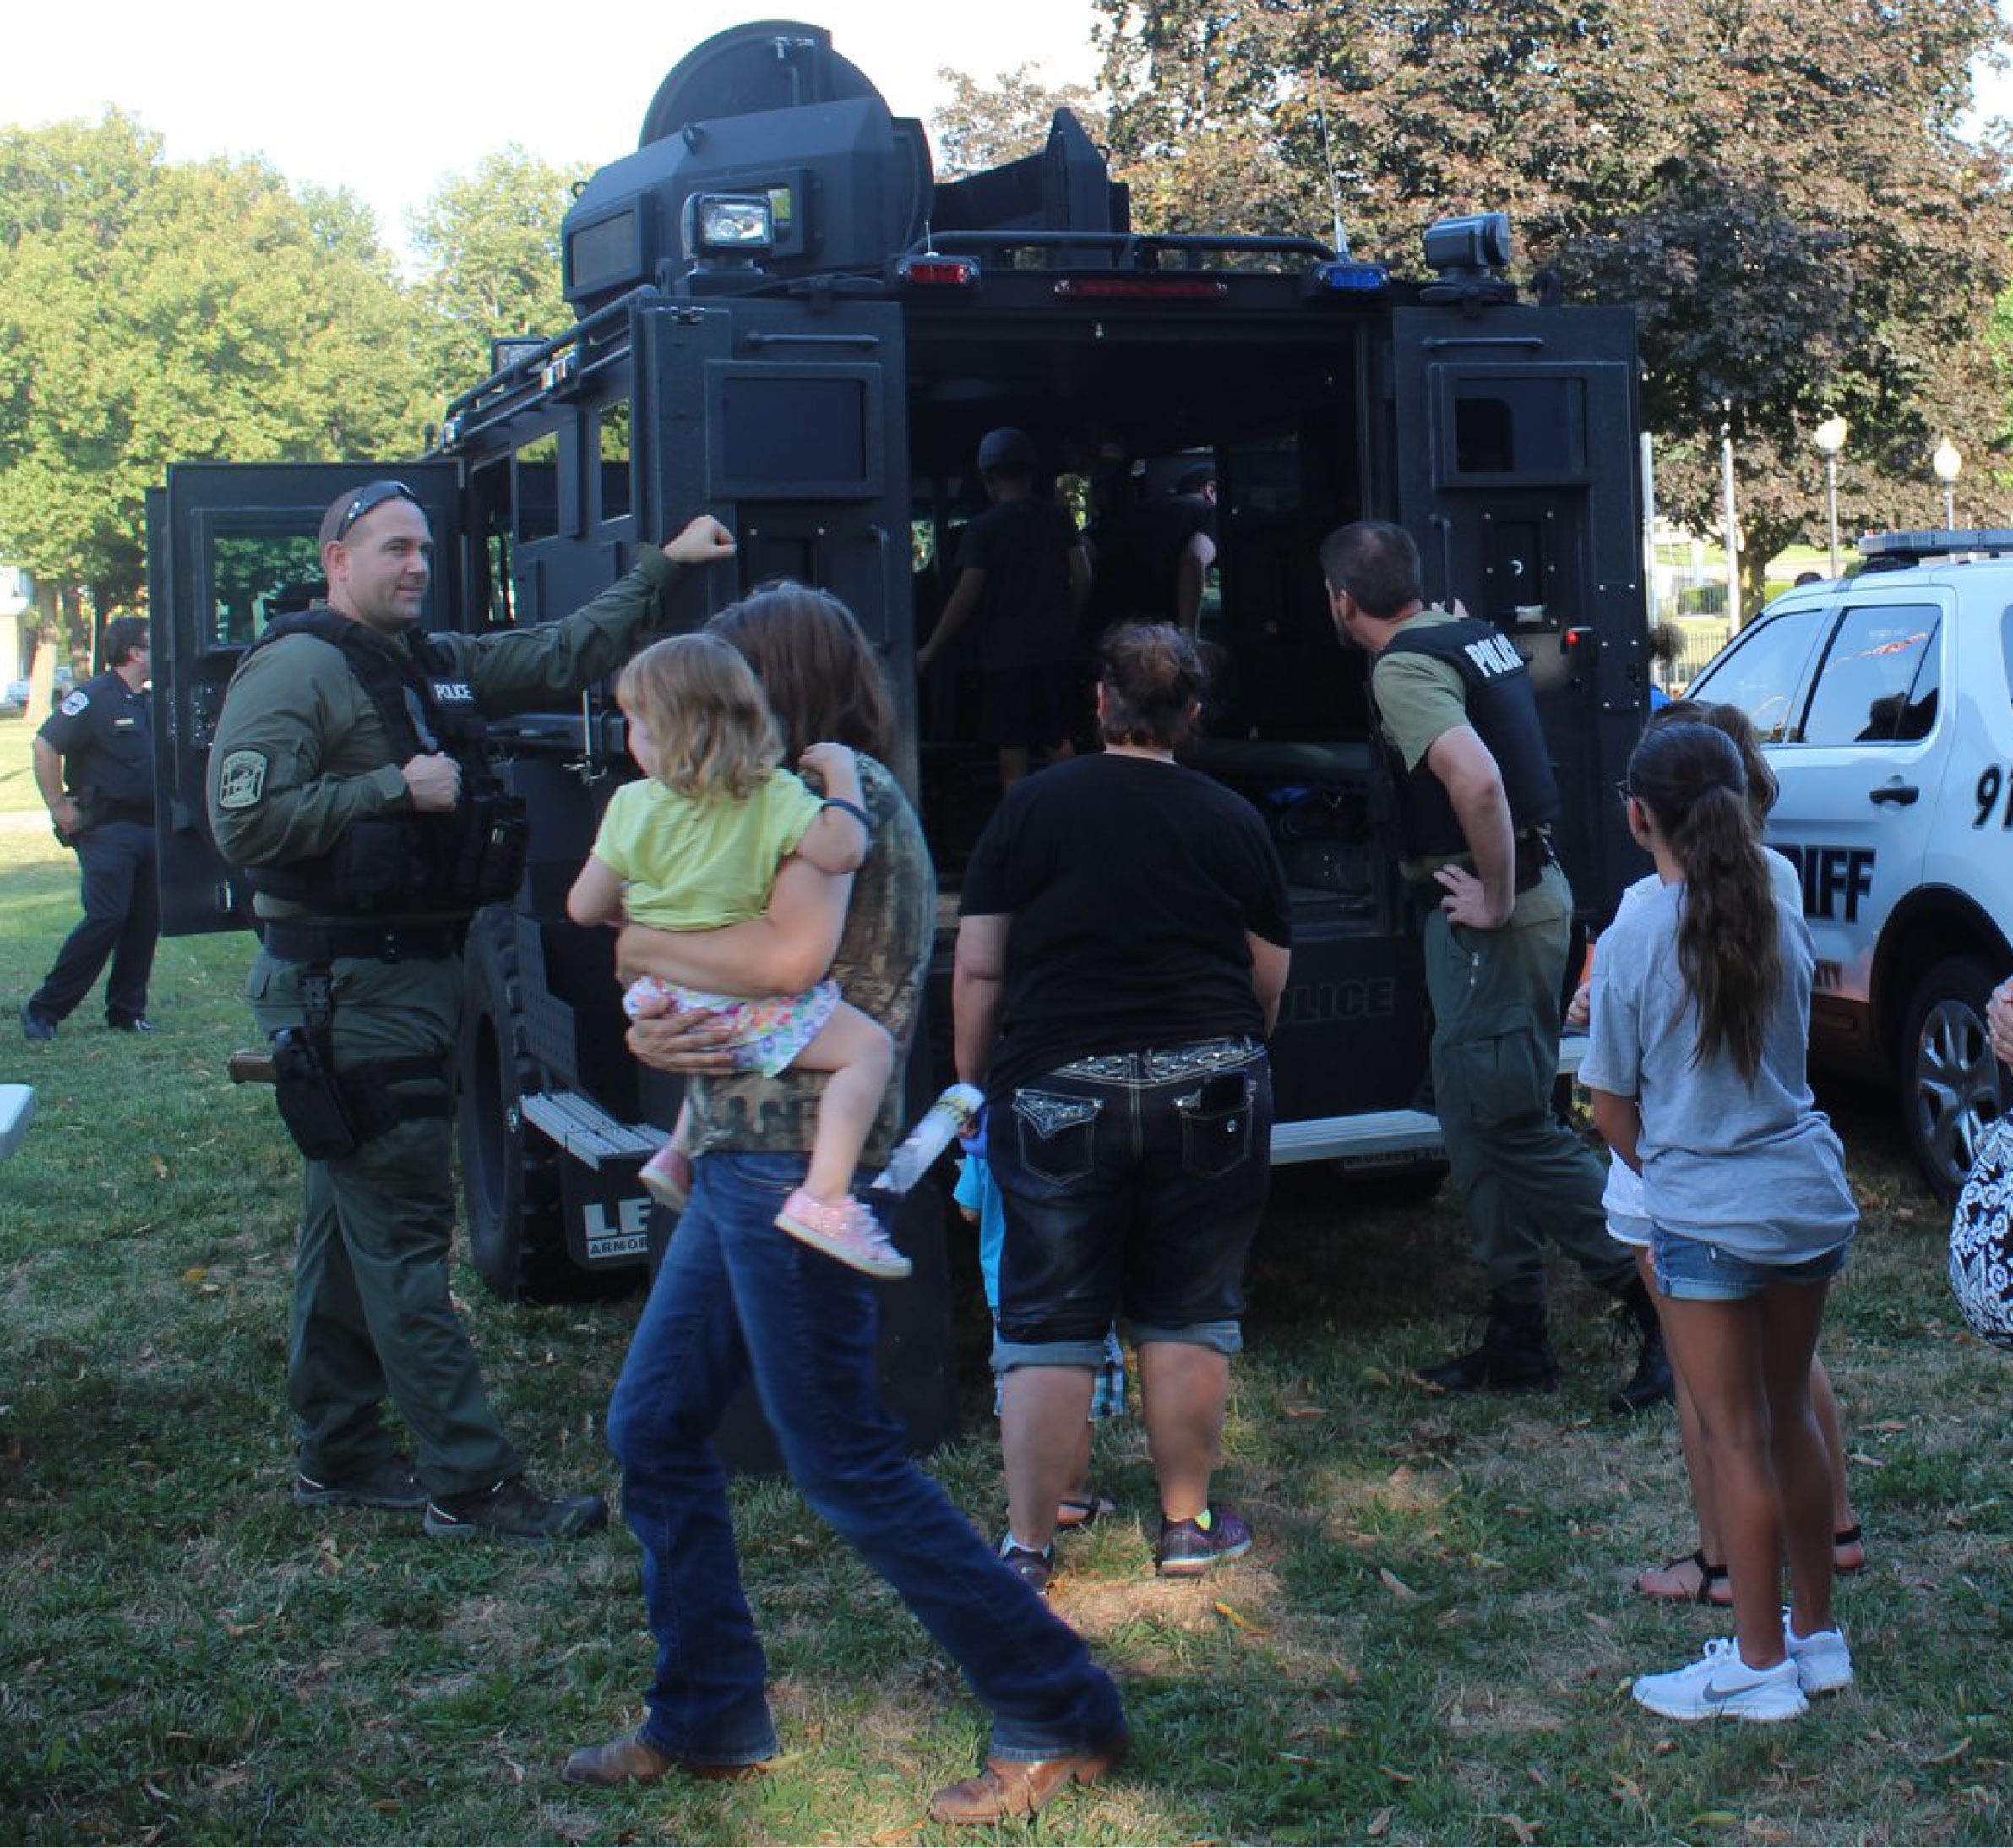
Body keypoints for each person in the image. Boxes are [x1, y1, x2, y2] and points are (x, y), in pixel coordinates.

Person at [565, 581, 1127, 1827]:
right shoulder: (759, 811)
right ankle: (706, 1708)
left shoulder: (838, 802)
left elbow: (782, 967)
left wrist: (639, 955)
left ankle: (1057, 1702)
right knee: (653, 1426)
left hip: (792, 1173)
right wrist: (665, 1028)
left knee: (842, 1460)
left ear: (765, 692)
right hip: (734, 1157)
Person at [206, 477, 737, 1542]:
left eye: (422, 550)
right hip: (347, 987)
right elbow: (242, 820)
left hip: (409, 976)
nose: (413, 565)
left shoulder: (427, 664)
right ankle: (471, 1481)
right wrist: (393, 789)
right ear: (336, 560)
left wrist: (664, 569)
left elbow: (562, 650)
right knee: (402, 1237)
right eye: (392, 549)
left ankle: (339, 1448)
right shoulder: (299, 668)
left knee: (344, 1226)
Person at [954, 623, 1292, 1589]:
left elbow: (979, 969)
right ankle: (1186, 1526)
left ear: (1099, 702)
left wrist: (974, 1085)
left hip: (1056, 1082)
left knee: (1046, 1318)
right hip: (1213, 1076)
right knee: (1188, 1306)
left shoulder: (1029, 810)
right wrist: (1235, 1051)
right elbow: (1268, 974)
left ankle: (1028, 1546)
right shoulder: (1231, 817)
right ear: (1189, 715)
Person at [1319, 520, 1668, 1408]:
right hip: (1491, 912)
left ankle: (1657, 1301)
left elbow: (1474, 782)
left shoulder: (1399, 666)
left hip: (1495, 916)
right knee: (1473, 1125)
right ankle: (1518, 1336)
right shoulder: (1462, 632)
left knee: (1513, 1125)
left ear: (1341, 601)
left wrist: (1497, 897)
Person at [1581, 721, 1858, 1721]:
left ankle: (1753, 1664)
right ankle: (1815, 1641)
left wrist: (1675, 1175)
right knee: (1785, 1416)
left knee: (1733, 1436)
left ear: (1636, 815)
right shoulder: (1779, 911)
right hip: (1805, 1198)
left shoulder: (1633, 937)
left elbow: (1611, 1107)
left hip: (1704, 1214)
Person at [565, 632, 901, 1275]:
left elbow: (582, 907)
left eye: (635, 721)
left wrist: (630, 917)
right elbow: (843, 852)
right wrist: (839, 776)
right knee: (867, 1049)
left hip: (660, 991)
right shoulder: (773, 796)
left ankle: (675, 1154)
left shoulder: (631, 805)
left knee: (719, 1028)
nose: (629, 737)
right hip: (739, 997)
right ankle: (826, 1197)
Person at [954, 1134, 1127, 1534]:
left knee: (1019, 1388)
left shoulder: (992, 1136)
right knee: (1079, 1393)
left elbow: (968, 1210)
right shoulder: (1088, 1131)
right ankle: (1068, 1495)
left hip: (1011, 1286)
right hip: (1082, 1282)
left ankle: (1026, 1500)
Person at [915, 428, 1091, 788]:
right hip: (1054, 649)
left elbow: (968, 592)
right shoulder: (1058, 518)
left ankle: (1019, 827)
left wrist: (931, 649)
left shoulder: (983, 529)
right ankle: (1070, 817)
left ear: (987, 478)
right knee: (1059, 741)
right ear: (1032, 472)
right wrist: (1066, 619)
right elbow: (1083, 577)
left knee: (1013, 749)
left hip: (1006, 655)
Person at [21, 617, 160, 1041]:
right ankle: (46, 1010)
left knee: (143, 921)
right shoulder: (93, 697)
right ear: (134, 653)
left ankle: (126, 1011)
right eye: (153, 644)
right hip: (107, 828)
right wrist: (58, 804)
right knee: (107, 916)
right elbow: (45, 743)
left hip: (150, 827)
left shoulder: (148, 700)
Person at [1115, 462, 1219, 635]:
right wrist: (1188, 639)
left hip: (1112, 628)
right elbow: (1193, 559)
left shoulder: (1140, 511)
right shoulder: (1209, 512)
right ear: (1210, 490)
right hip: (1158, 633)